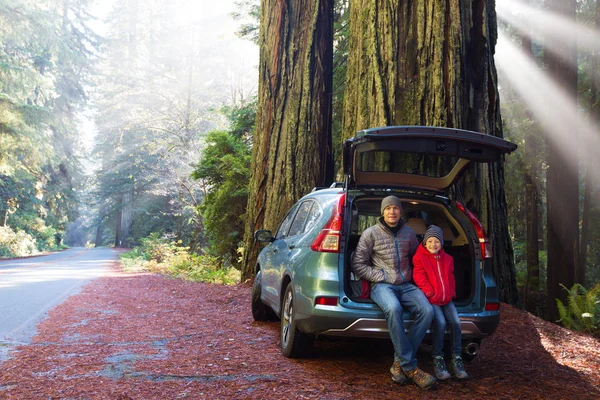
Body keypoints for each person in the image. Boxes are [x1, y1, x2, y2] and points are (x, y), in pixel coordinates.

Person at [352, 195, 437, 390]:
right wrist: (380, 275)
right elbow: (358, 264)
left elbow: (417, 260)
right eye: (388, 208)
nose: (392, 212)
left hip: (406, 284)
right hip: (382, 285)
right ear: (382, 212)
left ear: (401, 211)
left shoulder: (409, 233)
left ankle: (400, 363)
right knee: (393, 308)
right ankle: (411, 367)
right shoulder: (370, 233)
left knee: (427, 310)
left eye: (396, 208)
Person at [412, 225, 469, 380]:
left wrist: (451, 292)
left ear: (442, 243)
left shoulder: (448, 259)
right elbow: (419, 277)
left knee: (456, 323)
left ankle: (456, 358)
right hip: (432, 299)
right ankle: (438, 358)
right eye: (430, 241)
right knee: (441, 323)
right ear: (424, 242)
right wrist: (430, 293)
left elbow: (451, 277)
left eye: (436, 241)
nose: (433, 244)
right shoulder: (419, 257)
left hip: (446, 299)